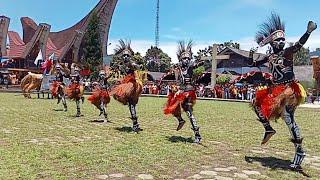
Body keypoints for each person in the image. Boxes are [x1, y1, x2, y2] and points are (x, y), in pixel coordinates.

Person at [248, 13, 317, 171]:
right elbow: (253, 63)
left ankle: (299, 152)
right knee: (255, 104)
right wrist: (252, 54)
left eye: (283, 39)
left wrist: (308, 32)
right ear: (272, 42)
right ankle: (268, 129)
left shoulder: (287, 53)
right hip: (274, 90)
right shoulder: (269, 57)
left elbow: (298, 45)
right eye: (278, 40)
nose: (281, 42)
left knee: (288, 118)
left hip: (289, 90)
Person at [163, 41, 203, 143]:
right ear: (180, 59)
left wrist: (199, 62)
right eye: (184, 58)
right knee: (171, 107)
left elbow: (195, 64)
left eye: (188, 58)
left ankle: (197, 134)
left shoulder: (190, 68)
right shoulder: (178, 70)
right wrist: (176, 89)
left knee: (189, 112)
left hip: (189, 92)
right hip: (181, 92)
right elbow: (178, 82)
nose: (187, 60)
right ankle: (180, 120)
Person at [110, 39, 147, 132]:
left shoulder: (131, 63)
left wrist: (135, 66)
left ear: (130, 56)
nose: (125, 57)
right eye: (124, 55)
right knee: (131, 105)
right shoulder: (122, 65)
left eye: (127, 55)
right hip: (125, 83)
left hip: (132, 85)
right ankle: (135, 123)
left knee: (132, 105)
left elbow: (137, 67)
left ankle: (135, 123)